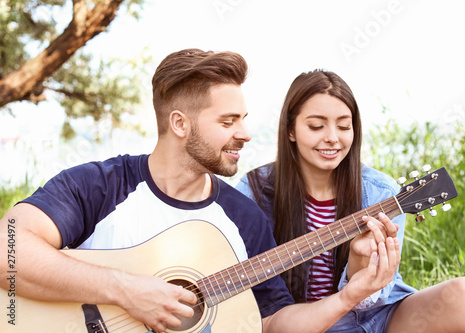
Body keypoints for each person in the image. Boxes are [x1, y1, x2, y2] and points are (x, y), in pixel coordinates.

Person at [0, 49, 401, 333]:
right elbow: (9, 250)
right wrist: (124, 290)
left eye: (243, 119)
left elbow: (274, 324)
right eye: (228, 121)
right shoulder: (99, 185)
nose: (244, 134)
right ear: (180, 124)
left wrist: (350, 296)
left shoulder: (244, 219)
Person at [236, 69, 465, 332]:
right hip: (297, 325)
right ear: (290, 130)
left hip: (376, 318)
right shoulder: (255, 190)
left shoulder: (380, 191)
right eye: (316, 126)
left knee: (464, 292)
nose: (332, 137)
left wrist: (359, 271)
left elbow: (377, 295)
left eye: (343, 126)